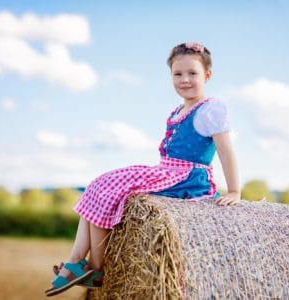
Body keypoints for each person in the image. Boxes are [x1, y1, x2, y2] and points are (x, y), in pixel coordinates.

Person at [45, 42, 241, 297]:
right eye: (178, 74)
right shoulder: (177, 111)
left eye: (192, 73)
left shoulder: (211, 108)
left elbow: (226, 151)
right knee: (98, 186)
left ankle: (96, 266)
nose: (185, 80)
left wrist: (235, 190)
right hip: (167, 172)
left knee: (108, 187)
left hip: (187, 177)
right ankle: (74, 262)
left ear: (207, 75)